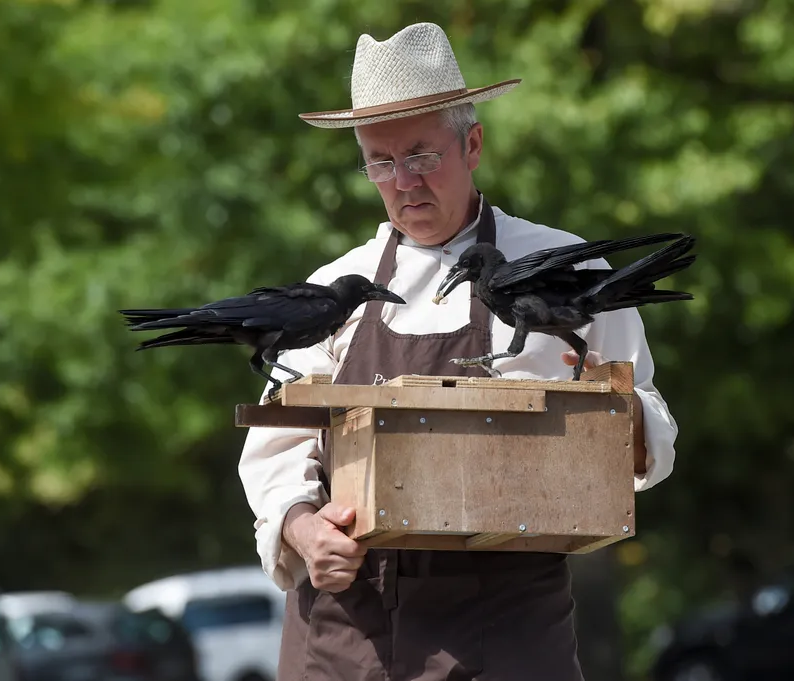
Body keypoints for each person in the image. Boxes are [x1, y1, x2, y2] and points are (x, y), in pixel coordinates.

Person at [237, 21, 681, 681]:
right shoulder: (334, 288)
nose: (403, 182)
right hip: (346, 633)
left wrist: (609, 420)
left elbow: (647, 423)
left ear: (472, 143)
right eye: (379, 162)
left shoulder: (562, 266)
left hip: (505, 629)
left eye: (420, 155)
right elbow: (274, 451)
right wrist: (303, 528)